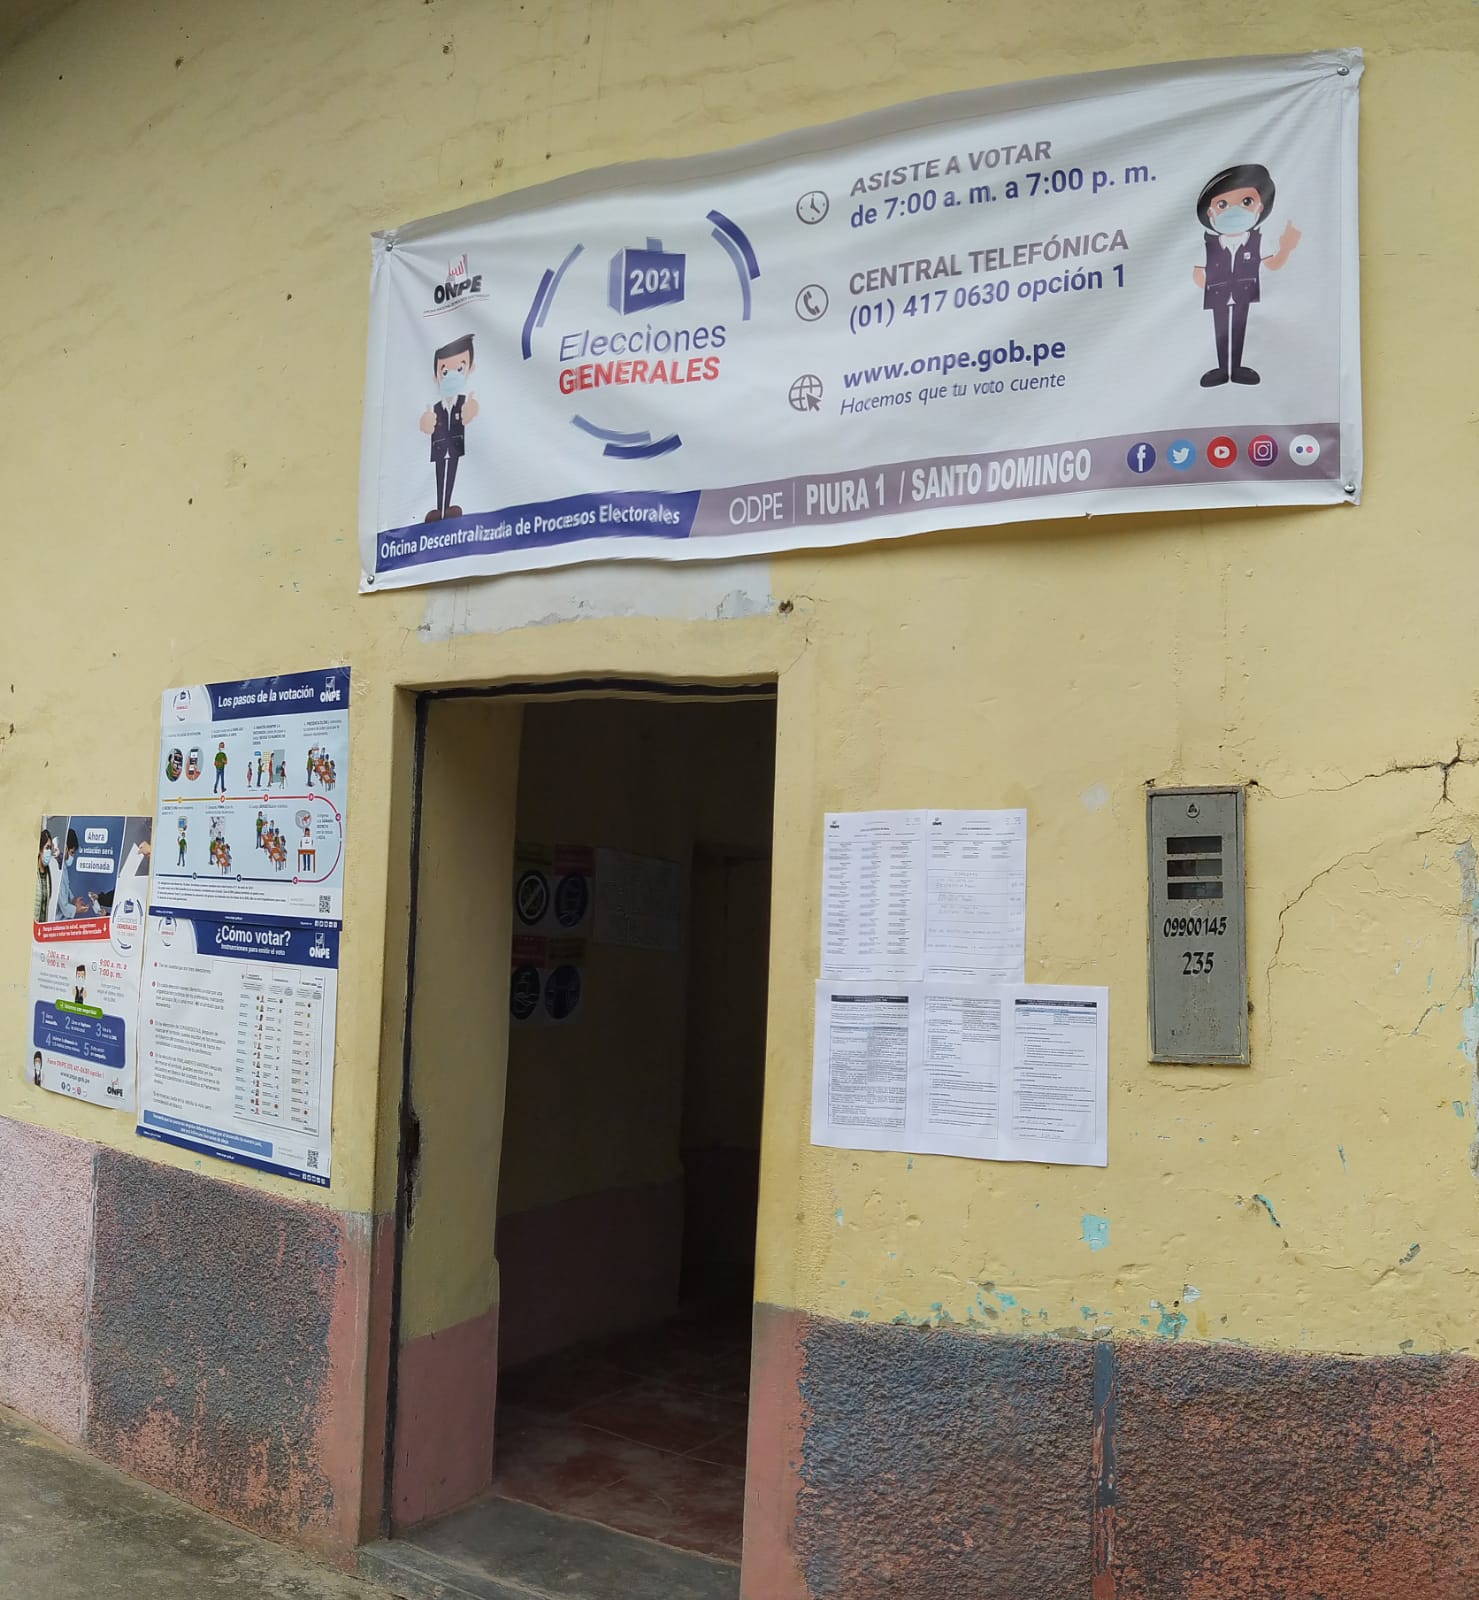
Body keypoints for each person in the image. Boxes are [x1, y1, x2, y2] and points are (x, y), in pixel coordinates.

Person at [1192, 163, 1301, 387]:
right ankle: (1222, 369)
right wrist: (1210, 287)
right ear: (1210, 212)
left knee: (1239, 330)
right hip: (1218, 294)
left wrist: (1286, 248)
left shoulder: (1257, 241)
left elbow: (1272, 264)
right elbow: (1198, 272)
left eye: (1246, 202)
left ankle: (1237, 368)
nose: (1234, 211)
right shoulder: (1209, 245)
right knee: (1220, 330)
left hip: (1244, 293)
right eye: (1222, 204)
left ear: (1260, 208)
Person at [419, 333, 478, 521]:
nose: (451, 376)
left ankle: (448, 507)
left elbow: (470, 414)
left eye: (459, 369)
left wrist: (471, 411)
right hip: (439, 447)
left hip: (455, 446)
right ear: (436, 377)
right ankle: (440, 509)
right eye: (444, 372)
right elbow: (426, 424)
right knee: (439, 477)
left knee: (451, 475)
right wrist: (426, 423)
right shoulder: (436, 407)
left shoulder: (463, 402)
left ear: (470, 369)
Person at [57, 830, 89, 917]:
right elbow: (64, 907)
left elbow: (65, 888)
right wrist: (77, 909)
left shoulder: (63, 866)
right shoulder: (58, 869)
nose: (73, 857)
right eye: (72, 852)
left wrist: (73, 900)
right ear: (65, 848)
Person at [34, 829, 54, 924]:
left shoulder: (48, 874)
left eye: (50, 848)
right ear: (40, 850)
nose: (49, 852)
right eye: (47, 848)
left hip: (41, 927)